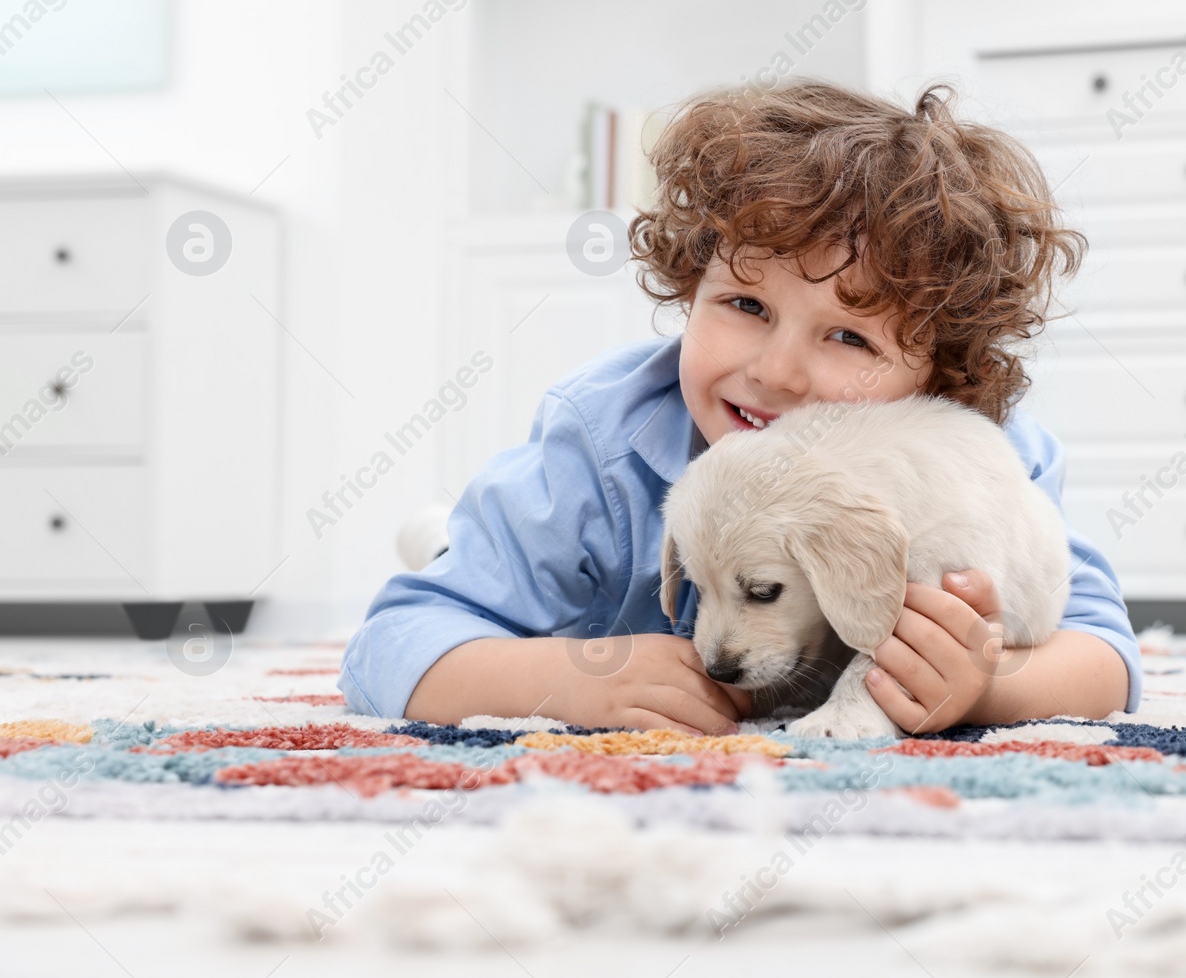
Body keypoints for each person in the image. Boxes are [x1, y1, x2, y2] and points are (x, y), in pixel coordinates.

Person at [338, 80, 1143, 734]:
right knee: (463, 561)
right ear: (691, 287)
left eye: (850, 339)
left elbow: (1105, 654)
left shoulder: (980, 462)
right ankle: (447, 534)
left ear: (938, 374)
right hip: (568, 594)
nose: (779, 372)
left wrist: (986, 683)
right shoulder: (605, 444)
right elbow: (392, 645)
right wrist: (568, 682)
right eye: (746, 307)